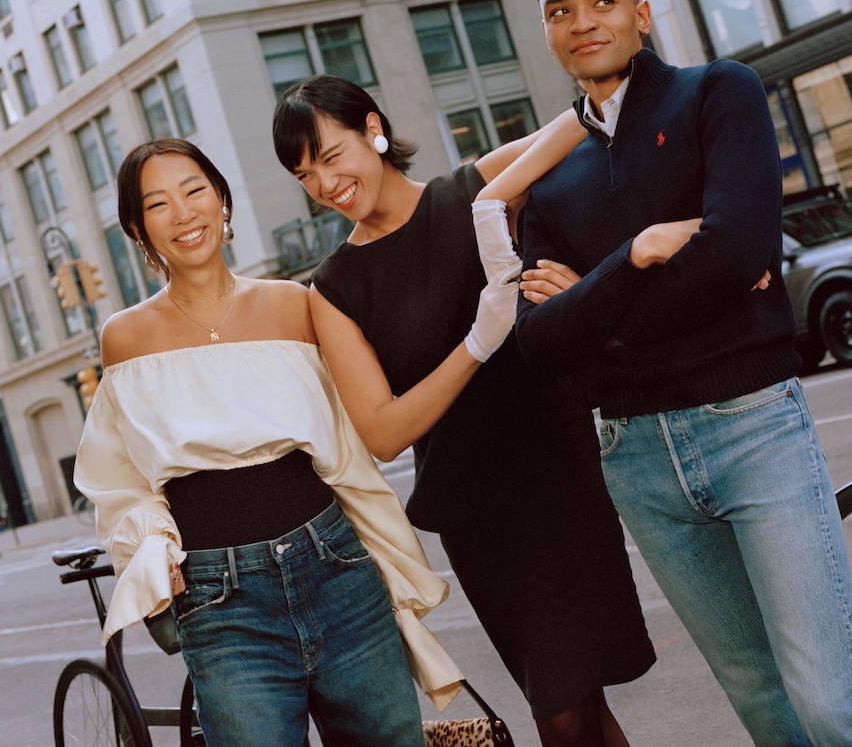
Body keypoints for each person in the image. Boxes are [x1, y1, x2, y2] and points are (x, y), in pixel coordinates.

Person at [502, 0, 852, 746]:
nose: (582, 22)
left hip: (751, 426)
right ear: (547, 34)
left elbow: (736, 253)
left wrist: (596, 309)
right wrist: (642, 254)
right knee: (767, 711)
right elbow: (541, 345)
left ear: (641, 14)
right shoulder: (547, 179)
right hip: (636, 457)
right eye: (560, 11)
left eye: (602, 1)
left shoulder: (715, 94)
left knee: (835, 708)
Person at [272, 76, 656, 747]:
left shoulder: (474, 191)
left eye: (333, 156)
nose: (325, 185)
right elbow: (384, 431)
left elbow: (585, 125)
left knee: (583, 702)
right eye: (306, 175)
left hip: (562, 474)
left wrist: (584, 284)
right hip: (482, 514)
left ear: (373, 128)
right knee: (562, 706)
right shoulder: (332, 288)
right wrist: (477, 343)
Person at [73, 138, 463, 747]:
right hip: (219, 601)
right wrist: (150, 543)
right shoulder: (125, 337)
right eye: (158, 203)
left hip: (337, 569)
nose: (183, 213)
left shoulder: (295, 304)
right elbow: (122, 479)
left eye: (195, 190)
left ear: (222, 201)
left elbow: (351, 432)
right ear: (137, 227)